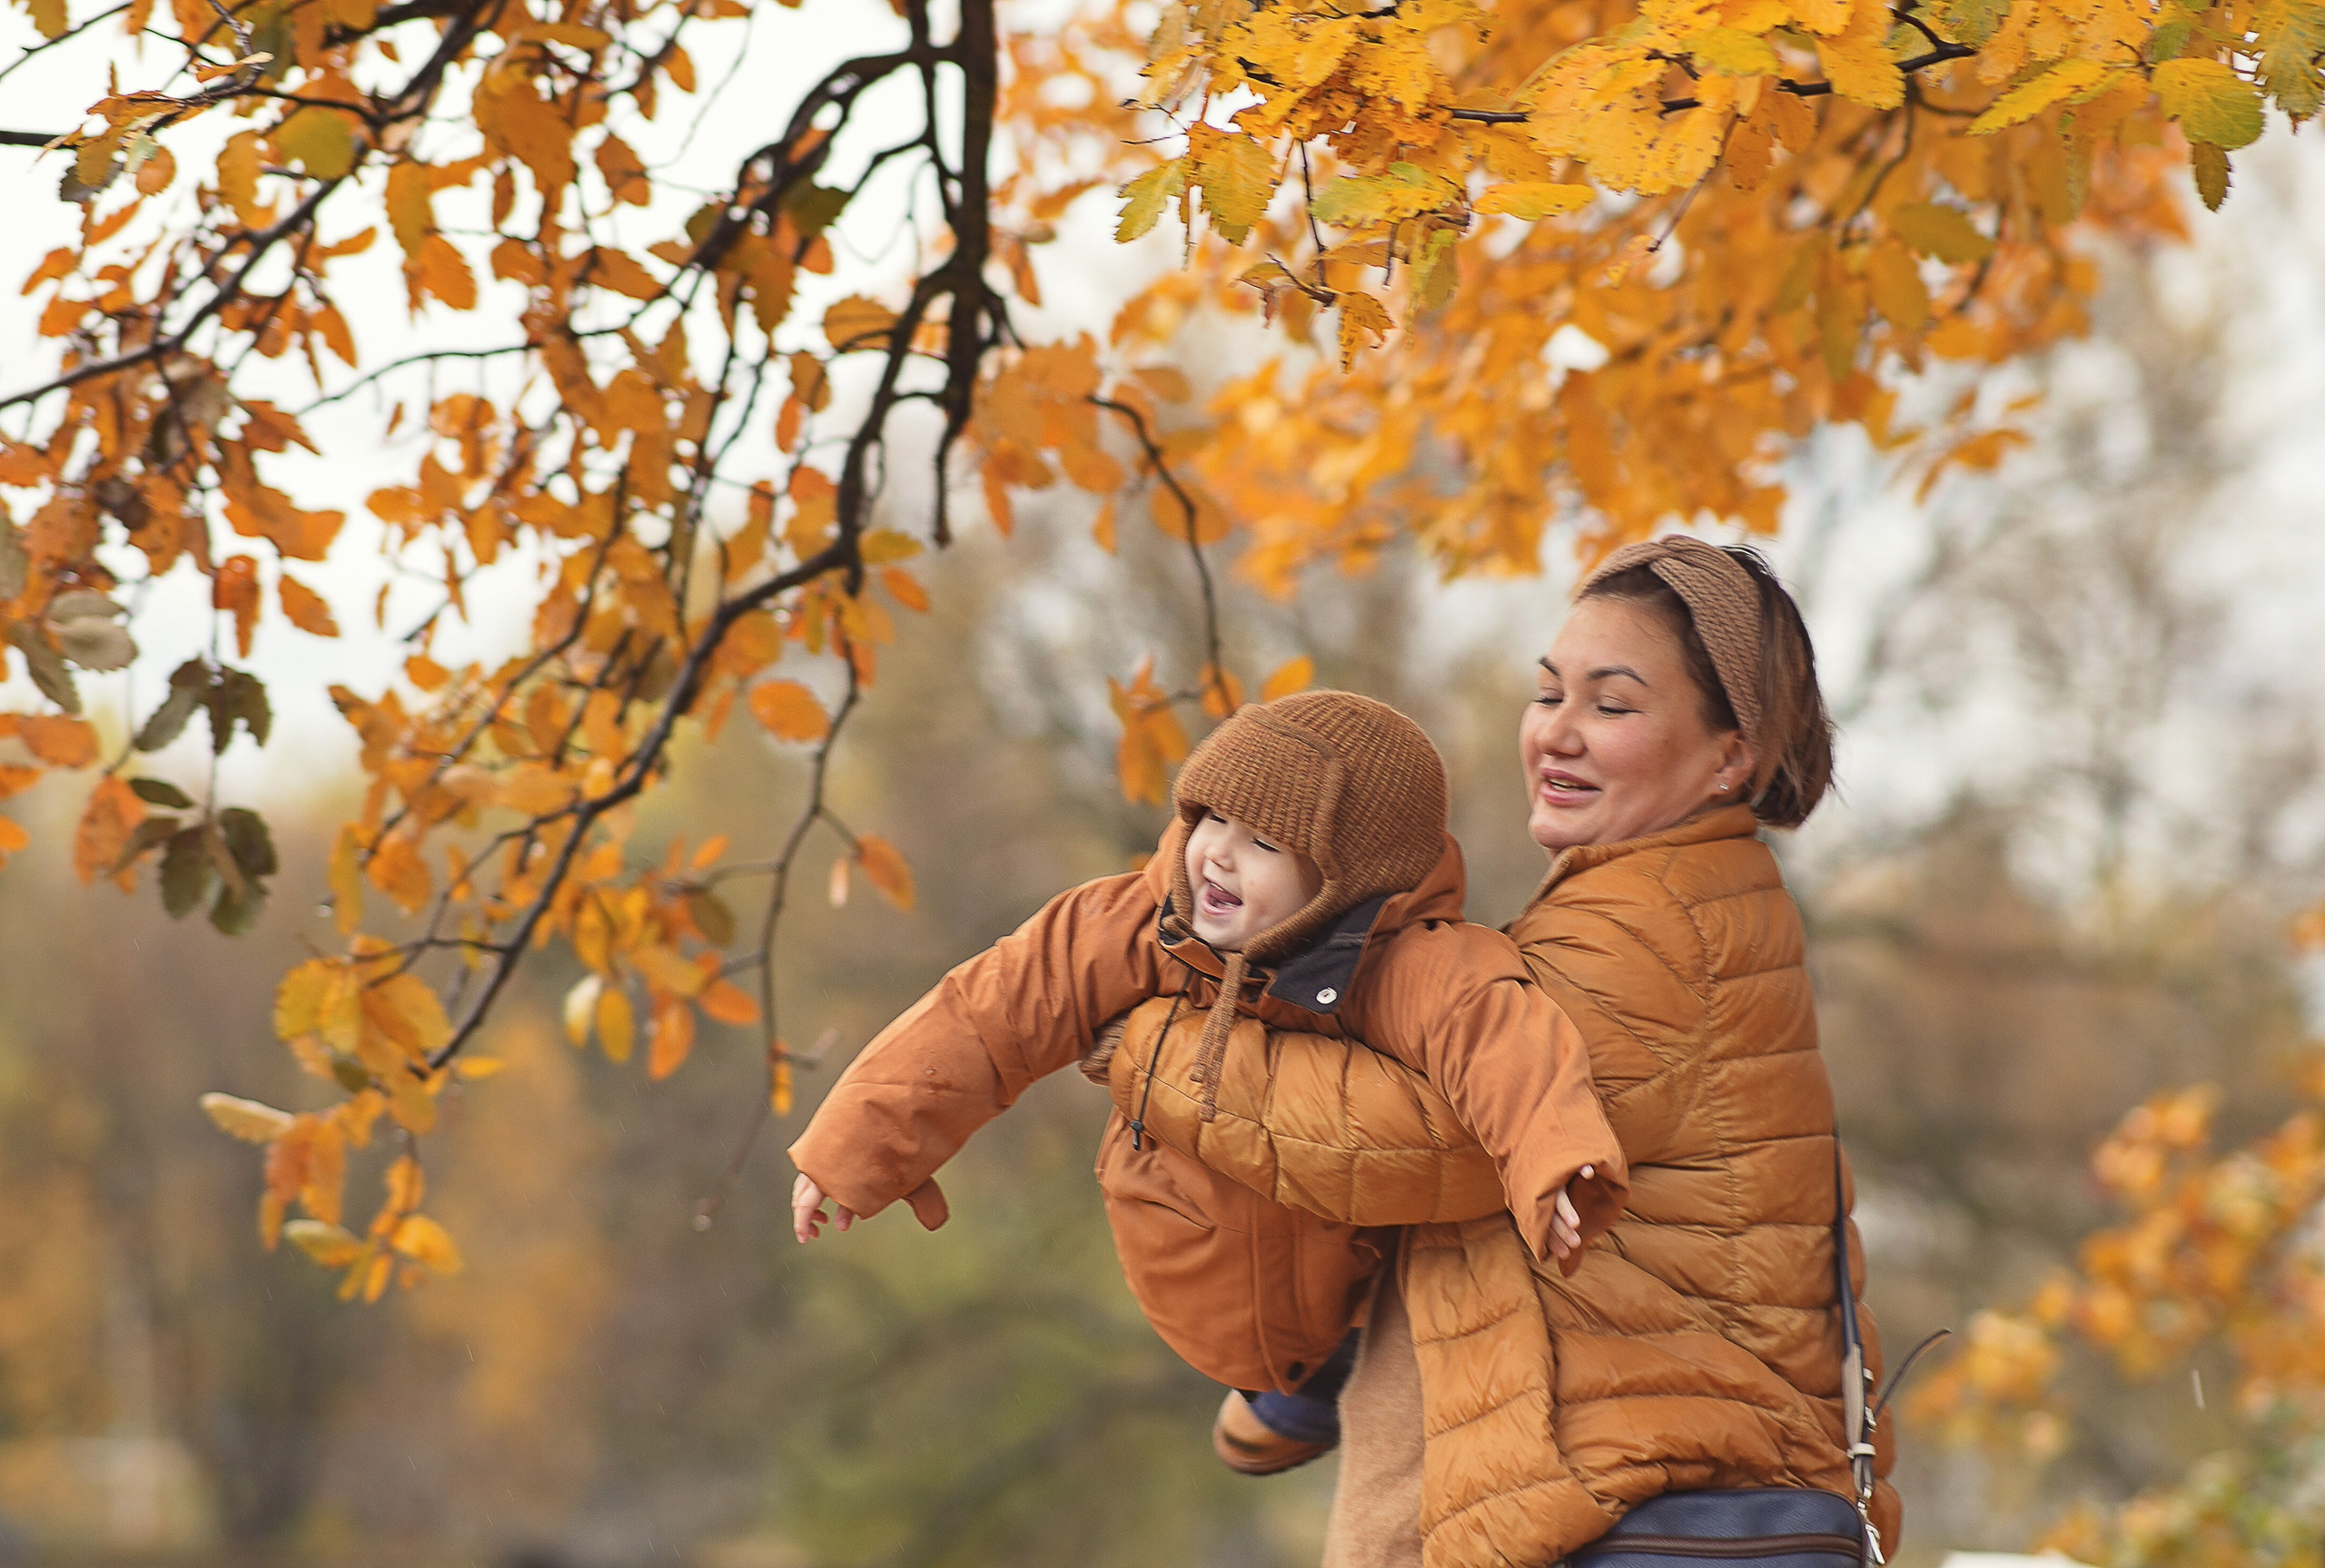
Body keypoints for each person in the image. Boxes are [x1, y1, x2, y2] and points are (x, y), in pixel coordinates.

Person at [1110, 538, 1903, 1568]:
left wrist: (1148, 1036)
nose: (1558, 734)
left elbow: (1421, 1145)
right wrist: (1305, 1377)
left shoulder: (1650, 927)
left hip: (1642, 1510)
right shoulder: (1657, 901)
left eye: (1611, 705)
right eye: (1547, 692)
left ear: (1729, 755)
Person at [786, 691, 1629, 1468]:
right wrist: (860, 1145)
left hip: (1349, 1279)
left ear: (1348, 886)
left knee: (1425, 1259)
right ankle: (1288, 1388)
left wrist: (1554, 1154)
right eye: (1211, 818)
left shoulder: (1413, 962)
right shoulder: (1136, 922)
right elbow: (992, 1009)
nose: (1218, 856)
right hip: (1192, 1255)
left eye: (1265, 843)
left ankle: (1331, 1376)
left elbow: (1499, 1032)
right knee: (1256, 1333)